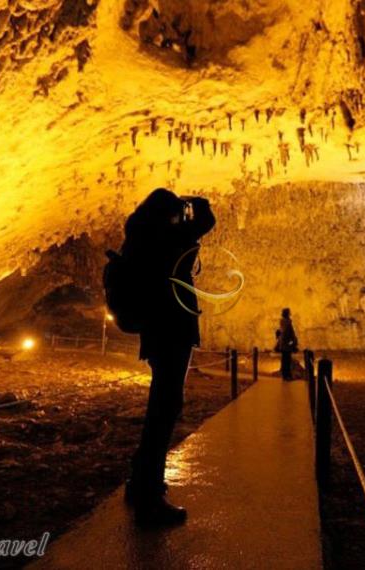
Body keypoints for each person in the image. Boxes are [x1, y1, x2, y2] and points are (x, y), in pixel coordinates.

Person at [120, 188, 215, 527]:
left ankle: (139, 481)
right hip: (173, 330)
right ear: (166, 214)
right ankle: (149, 495)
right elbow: (206, 220)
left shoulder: (139, 237)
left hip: (156, 332)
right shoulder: (166, 239)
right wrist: (195, 202)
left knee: (160, 406)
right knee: (165, 408)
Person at [276, 308, 298, 380]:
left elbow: (283, 333)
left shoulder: (283, 322)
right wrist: (292, 342)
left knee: (285, 360)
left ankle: (285, 375)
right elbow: (287, 333)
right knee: (287, 360)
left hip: (284, 344)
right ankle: (287, 376)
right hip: (286, 344)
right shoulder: (287, 322)